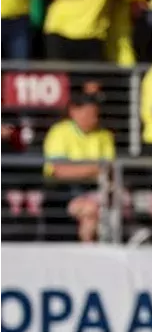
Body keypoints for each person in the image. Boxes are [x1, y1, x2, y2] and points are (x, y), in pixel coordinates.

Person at [42, 85, 113, 243]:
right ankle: (88, 252)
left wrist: (80, 170)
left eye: (96, 115)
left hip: (96, 190)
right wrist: (94, 169)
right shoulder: (59, 132)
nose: (93, 119)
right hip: (64, 192)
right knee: (90, 209)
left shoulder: (104, 135)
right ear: (73, 111)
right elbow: (60, 171)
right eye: (88, 114)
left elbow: (109, 169)